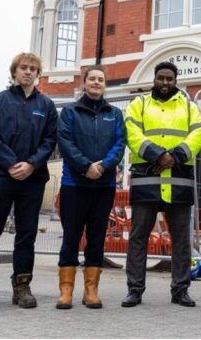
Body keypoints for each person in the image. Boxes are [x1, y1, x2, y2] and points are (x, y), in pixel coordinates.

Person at [0, 52, 58, 311]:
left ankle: (22, 287)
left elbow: (50, 140)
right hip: (0, 175)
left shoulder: (47, 106)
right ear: (14, 72)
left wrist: (31, 164)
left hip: (33, 178)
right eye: (23, 67)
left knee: (26, 235)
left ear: (38, 74)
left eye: (33, 68)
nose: (28, 72)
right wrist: (11, 163)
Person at [121, 61, 201, 308]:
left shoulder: (190, 107)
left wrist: (174, 156)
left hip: (178, 183)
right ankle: (134, 290)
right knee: (138, 238)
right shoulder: (139, 104)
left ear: (176, 80)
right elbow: (131, 133)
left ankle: (180, 290)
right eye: (161, 78)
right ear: (154, 79)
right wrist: (158, 155)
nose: (166, 83)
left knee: (181, 240)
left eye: (170, 79)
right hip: (147, 180)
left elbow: (199, 133)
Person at [55, 66, 126, 310]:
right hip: (74, 184)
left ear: (105, 85)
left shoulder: (114, 114)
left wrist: (103, 166)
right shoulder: (70, 112)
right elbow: (65, 142)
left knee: (96, 237)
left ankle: (91, 290)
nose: (96, 83)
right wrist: (86, 167)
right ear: (84, 83)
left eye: (101, 79)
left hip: (103, 185)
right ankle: (66, 292)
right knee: (71, 237)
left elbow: (120, 144)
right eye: (92, 79)